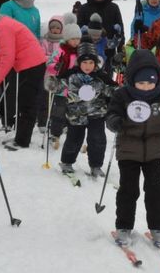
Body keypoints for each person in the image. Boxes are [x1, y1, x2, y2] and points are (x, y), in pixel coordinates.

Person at [105, 49, 160, 247]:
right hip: (128, 150)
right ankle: (124, 226)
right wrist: (114, 121)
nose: (146, 87)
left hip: (154, 150)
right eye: (141, 83)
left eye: (150, 82)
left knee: (155, 191)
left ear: (157, 80)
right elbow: (111, 114)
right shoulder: (122, 95)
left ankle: (157, 227)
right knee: (129, 190)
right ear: (132, 80)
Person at [0, 3, 48, 150]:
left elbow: (8, 58)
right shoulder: (4, 24)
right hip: (33, 64)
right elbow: (7, 52)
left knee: (27, 105)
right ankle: (21, 138)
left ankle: (22, 141)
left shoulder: (1, 28)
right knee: (25, 103)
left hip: (31, 65)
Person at [48, 40, 113, 177]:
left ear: (96, 63)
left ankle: (96, 166)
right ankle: (67, 162)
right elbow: (56, 87)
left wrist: (116, 90)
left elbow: (111, 90)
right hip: (76, 115)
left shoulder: (101, 78)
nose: (87, 66)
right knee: (74, 139)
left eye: (91, 62)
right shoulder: (71, 76)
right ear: (79, 62)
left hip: (97, 114)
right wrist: (52, 79)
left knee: (97, 140)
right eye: (84, 62)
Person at [45, 18, 82, 146]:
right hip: (61, 87)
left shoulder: (80, 53)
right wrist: (56, 67)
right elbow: (50, 63)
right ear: (66, 39)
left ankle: (67, 127)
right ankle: (55, 134)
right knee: (58, 112)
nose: (76, 42)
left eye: (78, 39)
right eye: (73, 39)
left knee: (72, 110)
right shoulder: (61, 51)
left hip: (75, 88)